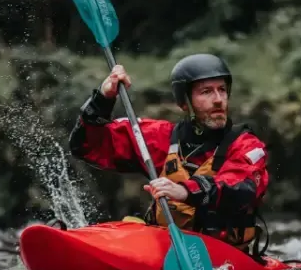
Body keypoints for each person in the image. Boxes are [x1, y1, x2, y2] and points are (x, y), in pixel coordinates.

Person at [67, 53, 271, 257]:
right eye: (206, 92)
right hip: (165, 248)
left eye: (222, 90)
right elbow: (85, 146)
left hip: (227, 257)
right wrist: (104, 97)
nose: (218, 100)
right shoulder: (159, 138)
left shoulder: (246, 145)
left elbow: (242, 189)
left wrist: (185, 191)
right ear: (184, 102)